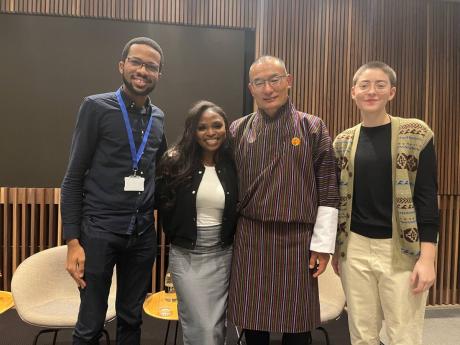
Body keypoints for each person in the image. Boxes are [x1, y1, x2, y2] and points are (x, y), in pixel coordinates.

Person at [61, 37, 166, 345]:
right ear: (122, 65)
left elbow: (162, 173)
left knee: (132, 318)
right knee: (91, 322)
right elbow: (73, 178)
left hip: (143, 234)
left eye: (152, 66)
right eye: (136, 62)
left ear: (159, 74)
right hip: (99, 231)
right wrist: (72, 242)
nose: (143, 71)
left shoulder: (159, 118)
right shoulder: (95, 107)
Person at [228, 56, 339, 345]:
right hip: (251, 238)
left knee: (297, 325)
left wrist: (322, 246)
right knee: (253, 324)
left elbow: (328, 189)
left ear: (288, 81)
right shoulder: (237, 130)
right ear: (251, 89)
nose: (268, 89)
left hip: (298, 240)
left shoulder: (313, 127)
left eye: (274, 79)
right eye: (259, 82)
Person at [332, 61, 439, 345]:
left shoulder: (416, 134)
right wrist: (336, 250)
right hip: (354, 248)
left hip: (401, 250)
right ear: (353, 91)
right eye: (364, 85)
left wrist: (427, 258)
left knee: (403, 334)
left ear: (391, 92)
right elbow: (338, 201)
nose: (371, 91)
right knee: (362, 334)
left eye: (380, 85)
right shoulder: (342, 142)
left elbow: (427, 198)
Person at [156, 100, 238, 345]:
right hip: (188, 257)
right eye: (202, 127)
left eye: (216, 125)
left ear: (226, 127)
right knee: (200, 326)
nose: (210, 132)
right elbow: (163, 205)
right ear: (192, 130)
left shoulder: (233, 163)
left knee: (216, 326)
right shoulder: (175, 161)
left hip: (223, 255)